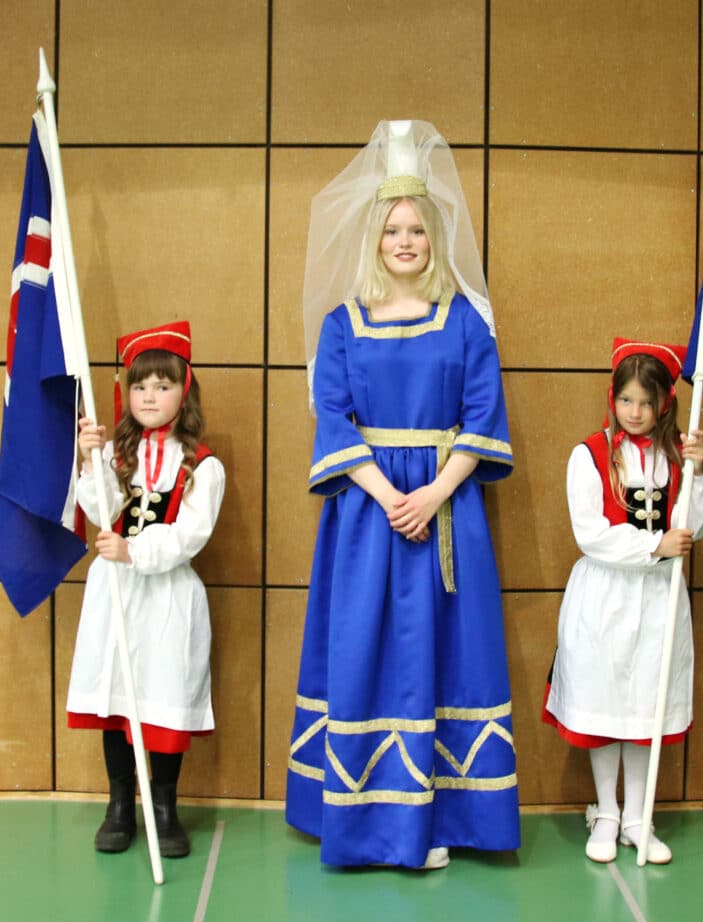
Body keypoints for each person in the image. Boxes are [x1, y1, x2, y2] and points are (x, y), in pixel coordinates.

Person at [286, 121, 520, 869]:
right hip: (368, 517)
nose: (406, 241)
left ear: (434, 237)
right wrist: (393, 496)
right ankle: (367, 819)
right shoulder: (342, 325)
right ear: (375, 240)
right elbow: (333, 419)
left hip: (448, 515)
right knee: (367, 649)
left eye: (417, 229)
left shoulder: (466, 321)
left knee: (447, 652)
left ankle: (443, 816)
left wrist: (434, 495)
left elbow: (482, 417)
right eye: (393, 230)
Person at [542, 338, 703, 865]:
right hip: (605, 596)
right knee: (606, 704)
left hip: (659, 598)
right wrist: (652, 546)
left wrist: (699, 474)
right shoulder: (590, 454)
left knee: (643, 708)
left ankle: (638, 816)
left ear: (664, 403)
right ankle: (607, 812)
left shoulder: (675, 456)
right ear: (612, 398)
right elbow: (590, 533)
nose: (635, 412)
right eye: (626, 400)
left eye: (646, 402)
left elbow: (692, 529)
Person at [67, 320, 226, 858]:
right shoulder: (116, 455)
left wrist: (135, 550)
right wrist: (90, 460)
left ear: (185, 390)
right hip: (116, 591)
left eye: (162, 385)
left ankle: (164, 808)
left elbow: (191, 534)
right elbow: (102, 509)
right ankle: (119, 805)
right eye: (139, 386)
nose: (149, 396)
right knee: (118, 695)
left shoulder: (202, 465)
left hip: (167, 595)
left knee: (163, 697)